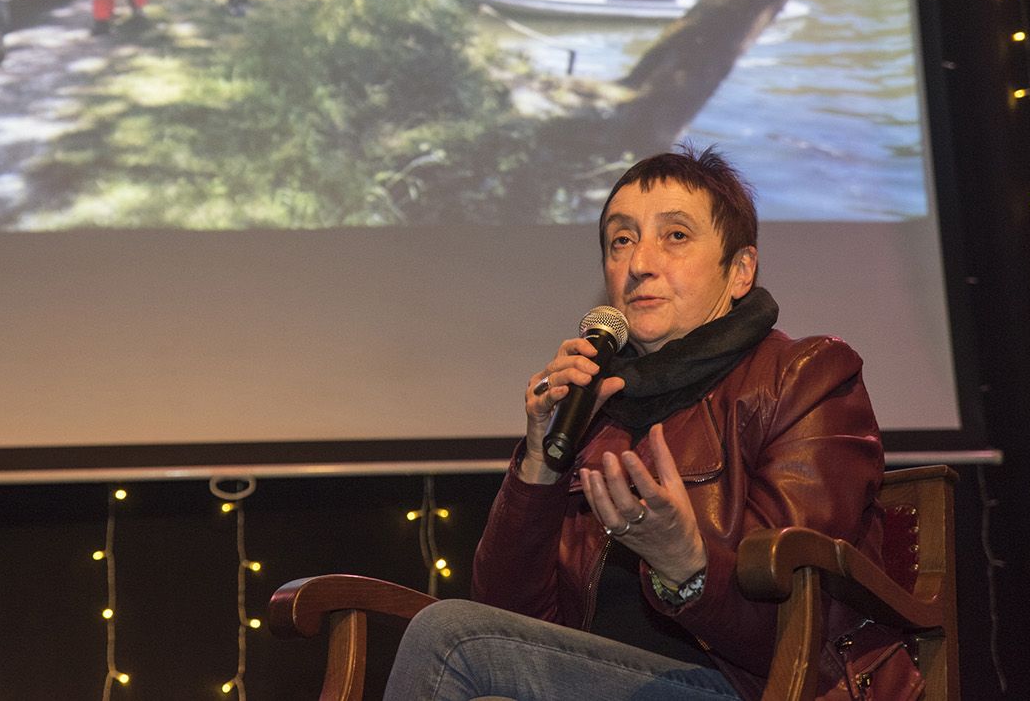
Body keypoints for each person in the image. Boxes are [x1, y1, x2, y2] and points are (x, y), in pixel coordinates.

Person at [384, 146, 922, 700]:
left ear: (739, 271)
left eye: (675, 236)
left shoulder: (804, 376)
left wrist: (686, 563)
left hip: (758, 686)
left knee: (449, 640)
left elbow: (797, 627)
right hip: (611, 681)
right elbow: (506, 620)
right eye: (622, 240)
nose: (639, 263)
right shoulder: (594, 412)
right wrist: (542, 464)